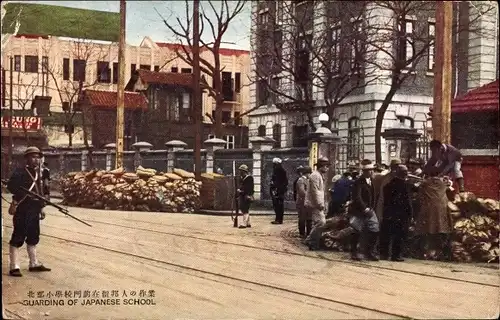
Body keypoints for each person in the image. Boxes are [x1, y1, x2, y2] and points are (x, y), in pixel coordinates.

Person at [7, 146, 51, 277]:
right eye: (33, 157)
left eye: (38, 157)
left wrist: (42, 207)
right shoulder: (20, 171)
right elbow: (11, 187)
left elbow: (43, 191)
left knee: (33, 235)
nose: (36, 160)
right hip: (22, 207)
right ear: (27, 158)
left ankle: (34, 263)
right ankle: (14, 266)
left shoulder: (42, 173)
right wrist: (24, 192)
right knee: (18, 235)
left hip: (35, 207)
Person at [415, 166, 453, 260]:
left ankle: (426, 252)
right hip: (442, 210)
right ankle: (439, 252)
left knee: (427, 230)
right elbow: (450, 190)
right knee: (441, 230)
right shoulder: (443, 183)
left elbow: (419, 194)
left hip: (428, 210)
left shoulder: (425, 183)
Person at [347, 159, 379, 261]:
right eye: (369, 170)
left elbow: (374, 196)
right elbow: (357, 197)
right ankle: (354, 252)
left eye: (372, 170)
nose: (371, 172)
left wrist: (372, 207)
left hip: (370, 210)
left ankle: (370, 252)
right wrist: (364, 208)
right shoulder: (358, 182)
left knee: (375, 229)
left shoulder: (372, 181)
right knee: (356, 231)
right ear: (364, 171)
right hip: (359, 211)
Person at [379, 165, 413, 262]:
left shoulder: (388, 185)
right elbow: (408, 202)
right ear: (404, 174)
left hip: (388, 213)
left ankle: (384, 254)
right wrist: (410, 214)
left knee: (386, 234)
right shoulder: (405, 186)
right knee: (399, 235)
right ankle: (396, 255)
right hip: (401, 215)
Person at [304, 157, 330, 250]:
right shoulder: (315, 176)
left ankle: (311, 240)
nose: (327, 168)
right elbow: (315, 191)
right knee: (321, 222)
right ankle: (311, 241)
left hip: (316, 203)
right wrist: (320, 204)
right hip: (315, 203)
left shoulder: (319, 175)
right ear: (321, 166)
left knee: (318, 222)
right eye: (326, 166)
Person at [270, 157, 288, 224]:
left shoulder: (279, 171)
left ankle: (279, 219)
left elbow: (282, 182)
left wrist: (277, 188)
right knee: (277, 205)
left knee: (278, 205)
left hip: (278, 191)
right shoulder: (278, 170)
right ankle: (278, 219)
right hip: (278, 190)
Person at [296, 166, 312, 237]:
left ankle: (309, 233)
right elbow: (302, 191)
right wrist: (309, 197)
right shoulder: (301, 180)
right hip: (302, 201)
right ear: (307, 173)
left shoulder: (308, 180)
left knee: (309, 218)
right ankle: (302, 233)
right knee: (302, 218)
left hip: (308, 202)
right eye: (309, 173)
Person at [237, 164, 254, 229]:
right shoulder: (242, 178)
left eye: (241, 171)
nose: (240, 172)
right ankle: (248, 223)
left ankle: (244, 223)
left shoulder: (249, 178)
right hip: (243, 195)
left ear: (244, 171)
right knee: (245, 209)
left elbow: (249, 188)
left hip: (247, 195)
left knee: (245, 209)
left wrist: (241, 191)